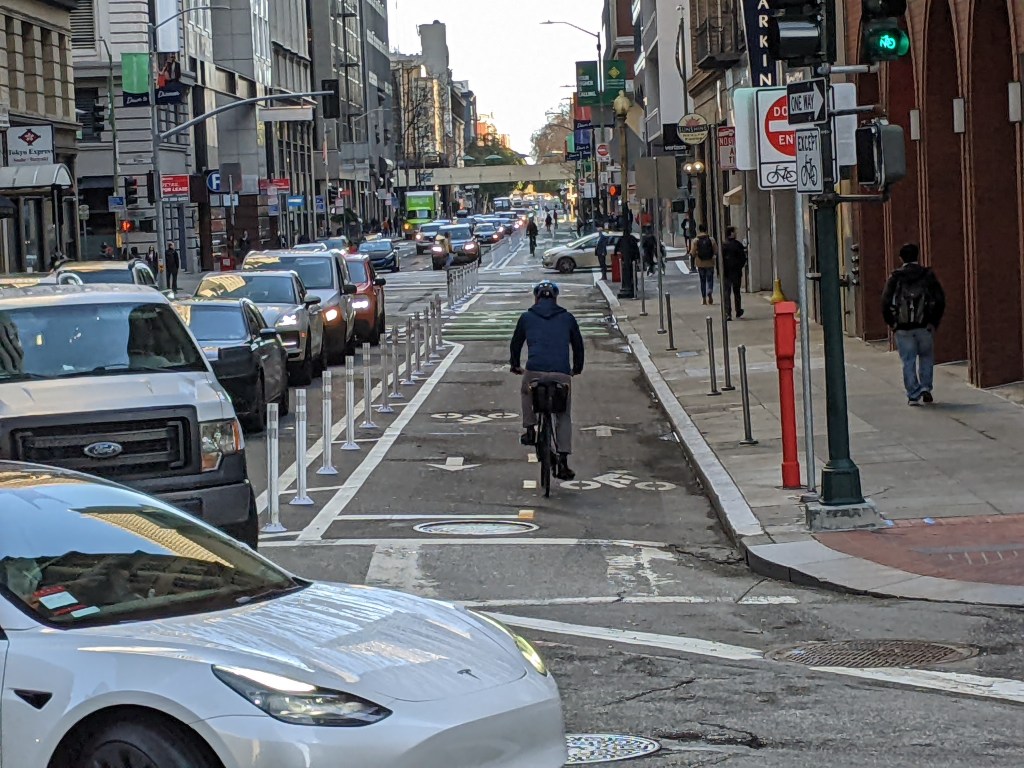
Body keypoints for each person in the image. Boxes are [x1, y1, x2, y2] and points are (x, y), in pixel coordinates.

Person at [509, 280, 585, 481]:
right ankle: (563, 459)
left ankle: (530, 428)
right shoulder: (567, 318)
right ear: (556, 298)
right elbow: (578, 345)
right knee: (563, 414)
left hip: (535, 370)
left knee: (527, 391)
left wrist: (515, 365)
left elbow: (516, 344)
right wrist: (576, 368)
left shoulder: (526, 317)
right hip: (561, 373)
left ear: (536, 298)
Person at [882, 243, 946, 406]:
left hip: (903, 328)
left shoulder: (895, 277)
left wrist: (893, 323)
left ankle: (913, 394)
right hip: (924, 326)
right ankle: (926, 387)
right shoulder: (927, 275)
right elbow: (940, 299)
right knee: (926, 357)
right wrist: (933, 322)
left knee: (908, 360)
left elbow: (885, 302)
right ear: (917, 256)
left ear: (901, 258)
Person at [721, 227, 748, 320]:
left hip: (726, 273)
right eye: (734, 232)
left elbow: (720, 260)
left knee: (726, 293)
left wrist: (720, 271)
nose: (736, 233)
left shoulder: (723, 246)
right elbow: (743, 258)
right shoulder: (737, 245)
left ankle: (728, 313)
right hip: (736, 272)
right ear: (731, 233)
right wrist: (739, 266)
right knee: (737, 292)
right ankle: (738, 310)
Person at [689, 223, 718, 305]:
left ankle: (704, 298)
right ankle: (710, 291)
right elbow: (716, 251)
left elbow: (693, 253)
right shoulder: (711, 239)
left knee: (702, 281)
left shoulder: (695, 240)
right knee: (710, 279)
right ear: (706, 229)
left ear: (699, 230)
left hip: (700, 263)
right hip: (710, 263)